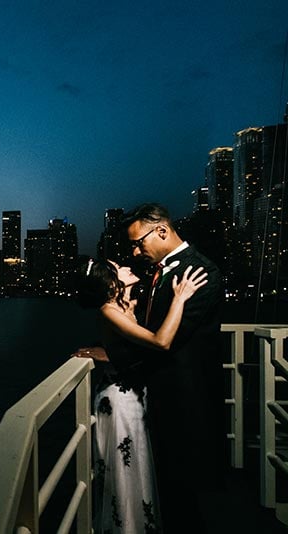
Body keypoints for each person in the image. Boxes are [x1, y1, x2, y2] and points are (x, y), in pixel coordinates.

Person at [74, 257, 208, 534]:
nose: (126, 267)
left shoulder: (126, 306)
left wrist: (105, 350)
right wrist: (180, 298)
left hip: (134, 396)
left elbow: (126, 345)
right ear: (111, 282)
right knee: (125, 470)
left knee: (138, 465)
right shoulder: (109, 310)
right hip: (119, 400)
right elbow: (161, 341)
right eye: (118, 269)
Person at [123, 203, 224, 533]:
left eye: (139, 242)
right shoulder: (157, 273)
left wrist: (117, 355)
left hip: (185, 400)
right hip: (161, 395)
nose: (136, 251)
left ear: (162, 231)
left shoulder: (199, 272)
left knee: (186, 494)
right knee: (167, 487)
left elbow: (168, 338)